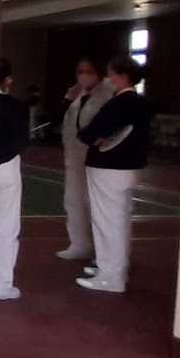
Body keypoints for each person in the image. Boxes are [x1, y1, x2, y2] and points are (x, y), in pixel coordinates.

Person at [76, 55, 154, 294]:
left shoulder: (119, 104)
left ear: (122, 76)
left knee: (107, 221)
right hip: (128, 167)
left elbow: (92, 133)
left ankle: (110, 276)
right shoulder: (142, 103)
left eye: (111, 74)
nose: (108, 79)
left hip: (109, 167)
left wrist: (90, 136)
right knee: (118, 220)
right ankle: (110, 266)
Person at [58, 58, 115, 262]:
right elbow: (65, 120)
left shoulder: (109, 92)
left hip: (98, 157)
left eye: (88, 70)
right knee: (73, 201)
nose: (84, 75)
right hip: (74, 156)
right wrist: (68, 98)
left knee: (98, 207)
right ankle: (79, 245)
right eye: (80, 71)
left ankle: (103, 254)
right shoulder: (78, 94)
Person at [0, 59, 30, 301]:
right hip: (6, 168)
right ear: (7, 81)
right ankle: (1, 284)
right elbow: (21, 142)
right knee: (5, 227)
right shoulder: (16, 107)